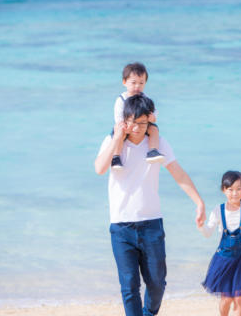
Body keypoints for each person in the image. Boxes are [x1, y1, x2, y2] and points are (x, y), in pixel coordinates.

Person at [94, 93, 206, 316]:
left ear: (150, 121)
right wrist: (116, 139)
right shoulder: (113, 143)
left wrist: (199, 201)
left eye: (142, 123)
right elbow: (99, 168)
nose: (137, 128)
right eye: (132, 122)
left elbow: (178, 173)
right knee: (129, 286)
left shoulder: (158, 143)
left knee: (157, 283)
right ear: (124, 121)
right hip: (121, 226)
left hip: (151, 224)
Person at [199, 171, 241, 316]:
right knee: (227, 299)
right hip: (223, 259)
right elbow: (208, 232)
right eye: (230, 189)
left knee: (239, 298)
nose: (235, 193)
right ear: (223, 190)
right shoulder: (218, 210)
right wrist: (201, 225)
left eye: (238, 189)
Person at [111, 62, 164, 170]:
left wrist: (153, 117)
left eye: (141, 83)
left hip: (141, 125)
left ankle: (152, 151)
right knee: (118, 131)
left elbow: (154, 111)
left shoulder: (145, 98)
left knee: (154, 129)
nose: (137, 86)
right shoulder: (121, 99)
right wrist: (124, 126)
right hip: (126, 125)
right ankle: (116, 157)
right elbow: (118, 116)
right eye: (133, 83)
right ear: (124, 82)